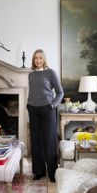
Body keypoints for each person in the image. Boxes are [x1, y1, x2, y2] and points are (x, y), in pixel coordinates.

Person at [27, 49, 64, 182]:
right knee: (36, 141)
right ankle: (39, 171)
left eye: (40, 58)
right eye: (36, 58)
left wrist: (53, 105)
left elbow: (60, 92)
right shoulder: (31, 75)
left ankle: (53, 173)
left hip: (47, 110)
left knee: (49, 140)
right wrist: (29, 104)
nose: (38, 60)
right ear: (33, 60)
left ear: (44, 59)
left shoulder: (50, 73)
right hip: (33, 109)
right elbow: (34, 91)